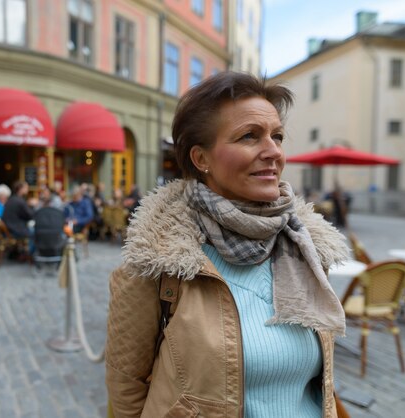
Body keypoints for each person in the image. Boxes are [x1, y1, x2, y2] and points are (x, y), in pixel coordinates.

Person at [105, 72, 350, 418]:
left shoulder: (303, 248)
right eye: (250, 136)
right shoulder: (158, 261)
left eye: (277, 136)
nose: (273, 151)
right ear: (201, 159)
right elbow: (127, 388)